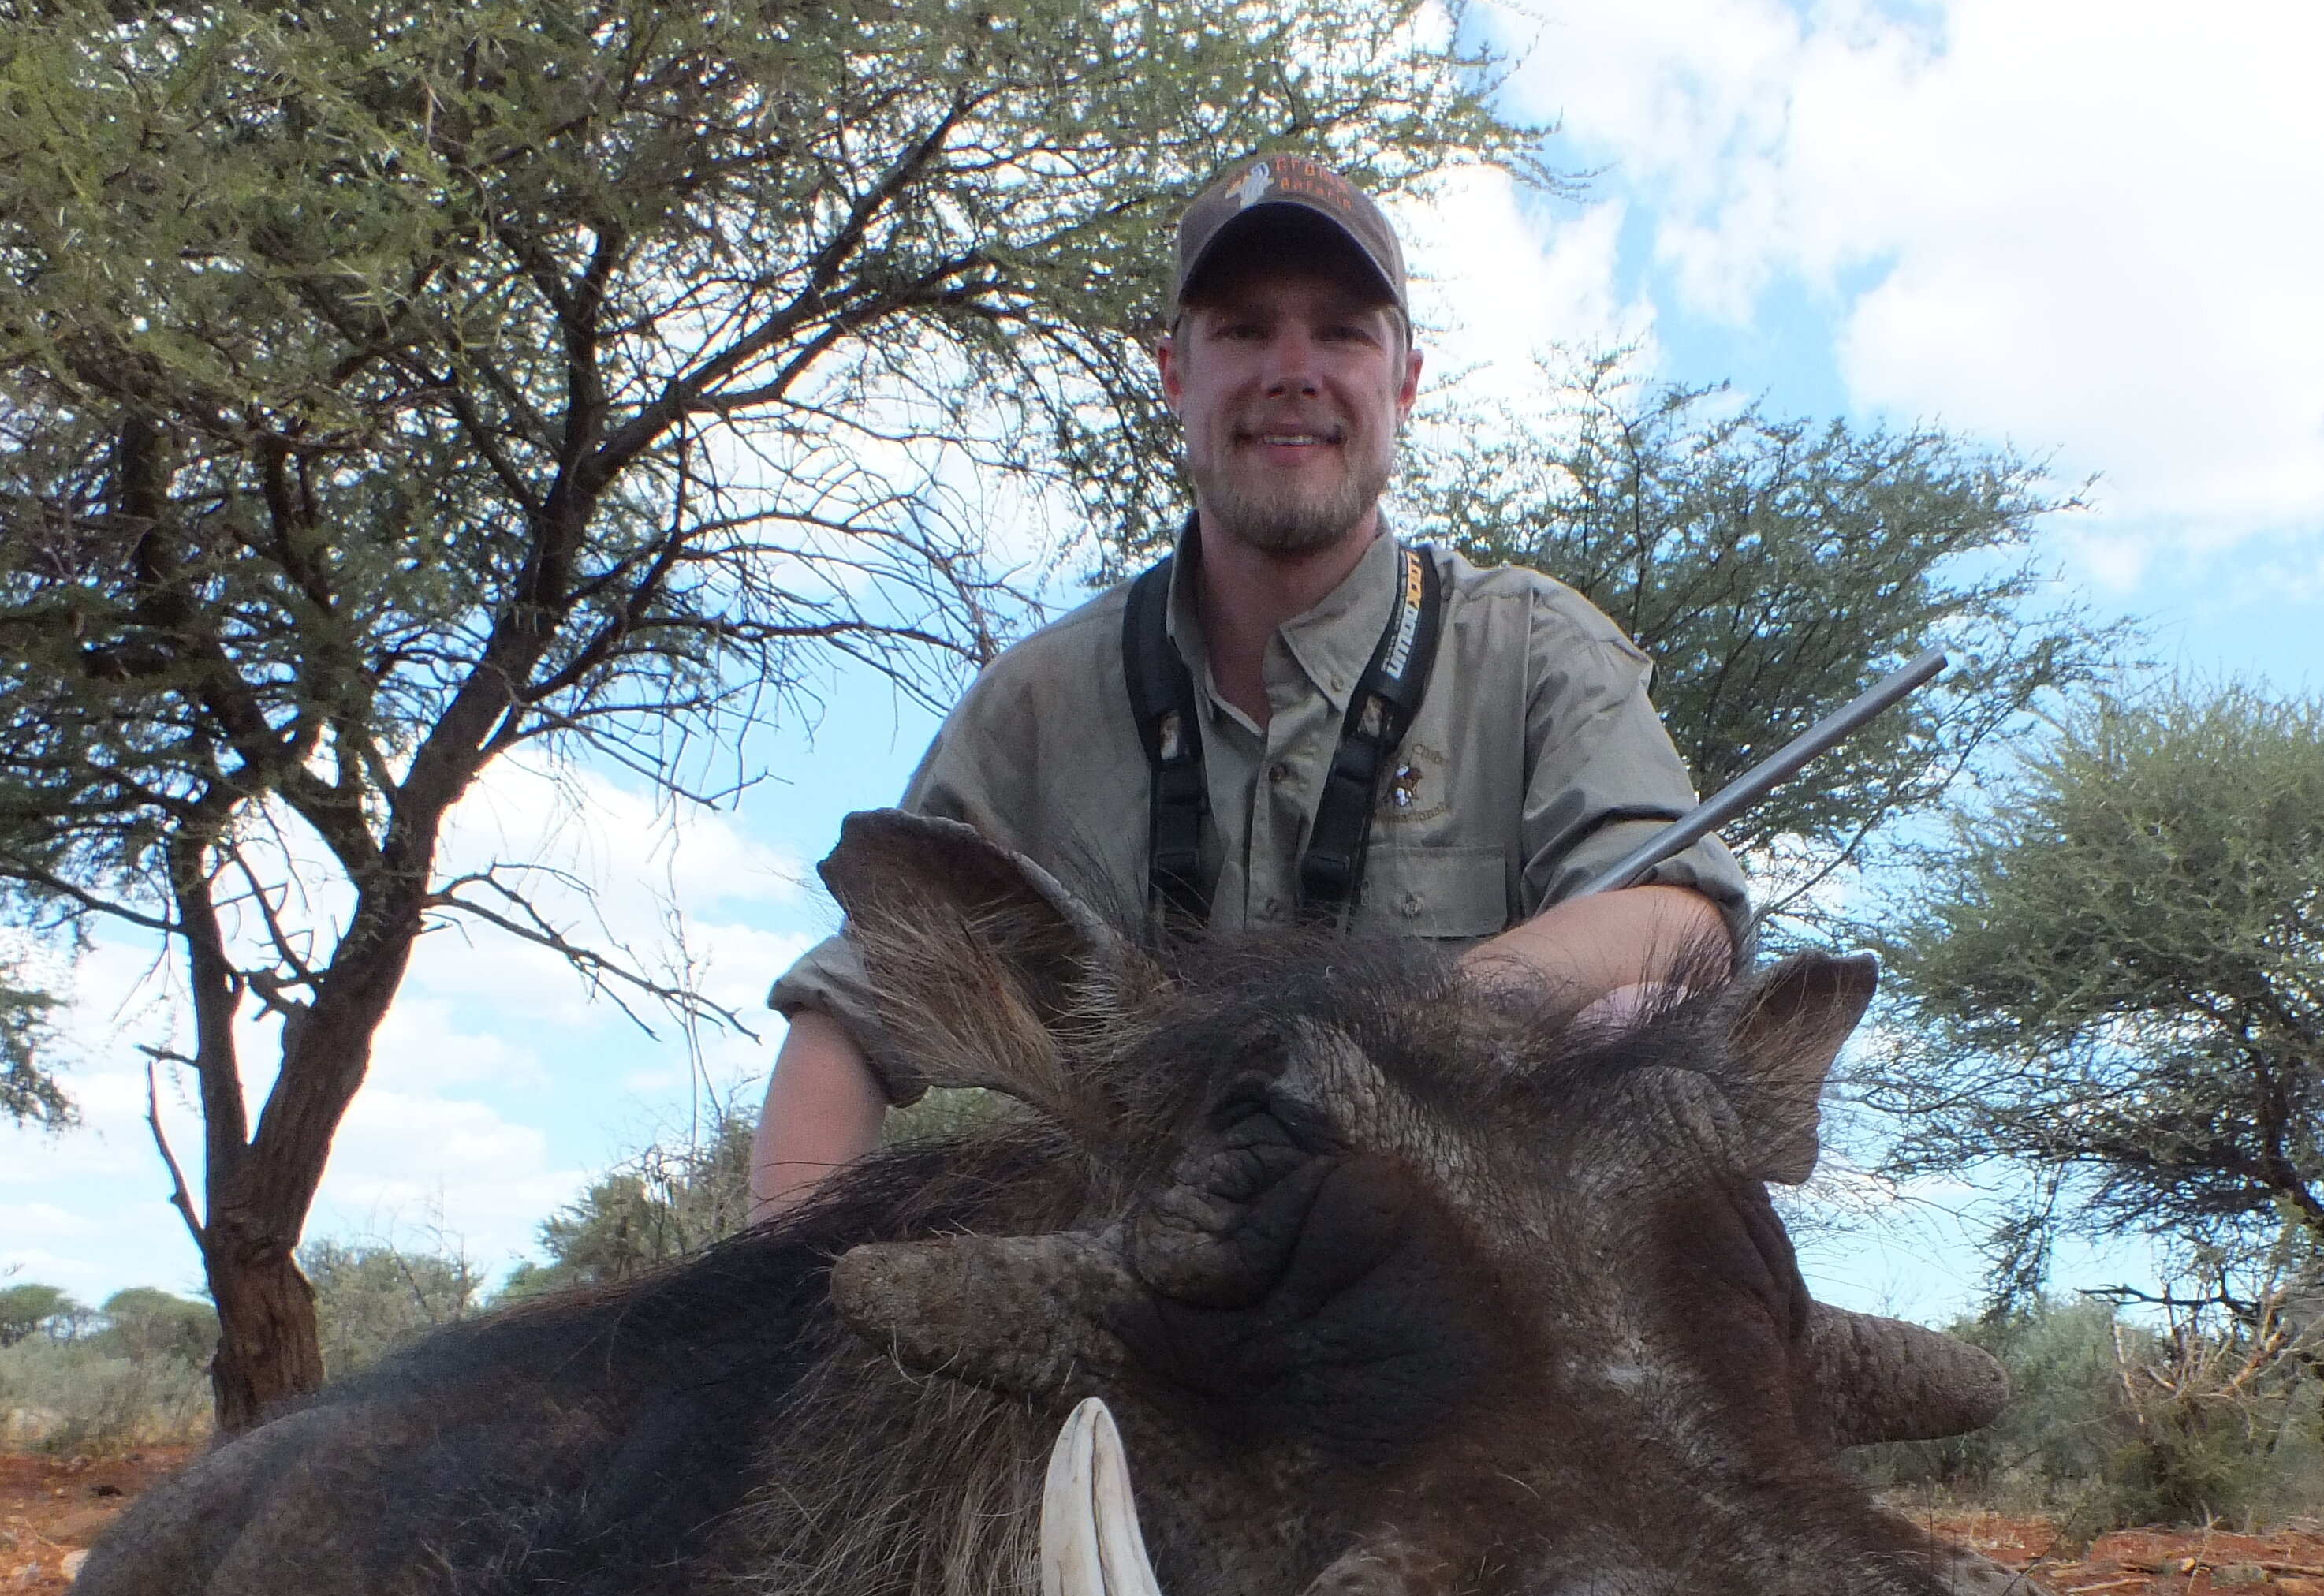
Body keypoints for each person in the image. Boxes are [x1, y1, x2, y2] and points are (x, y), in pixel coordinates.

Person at [749, 151, 1750, 1217]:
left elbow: (1681, 919)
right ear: (1174, 371)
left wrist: (1410, 1021)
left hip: (1463, 1304)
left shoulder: (1538, 648)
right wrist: (793, 1323)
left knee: (1638, 1021)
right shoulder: (1040, 699)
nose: (1292, 370)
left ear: (1404, 378)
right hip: (1147, 1310)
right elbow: (846, 1016)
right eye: (1243, 329)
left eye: (1340, 330)